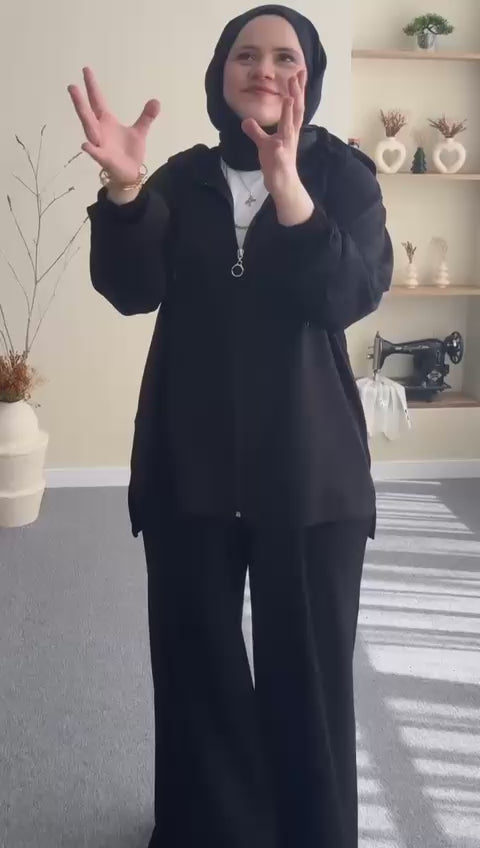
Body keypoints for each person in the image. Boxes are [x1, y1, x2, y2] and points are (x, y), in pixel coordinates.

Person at [68, 5, 393, 847]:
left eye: (285, 56)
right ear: (220, 74)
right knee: (198, 675)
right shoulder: (179, 178)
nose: (263, 69)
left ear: (309, 75)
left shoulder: (346, 178)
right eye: (245, 55)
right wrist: (125, 191)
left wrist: (289, 187)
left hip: (310, 474)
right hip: (189, 469)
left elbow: (348, 294)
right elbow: (132, 289)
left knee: (309, 683)